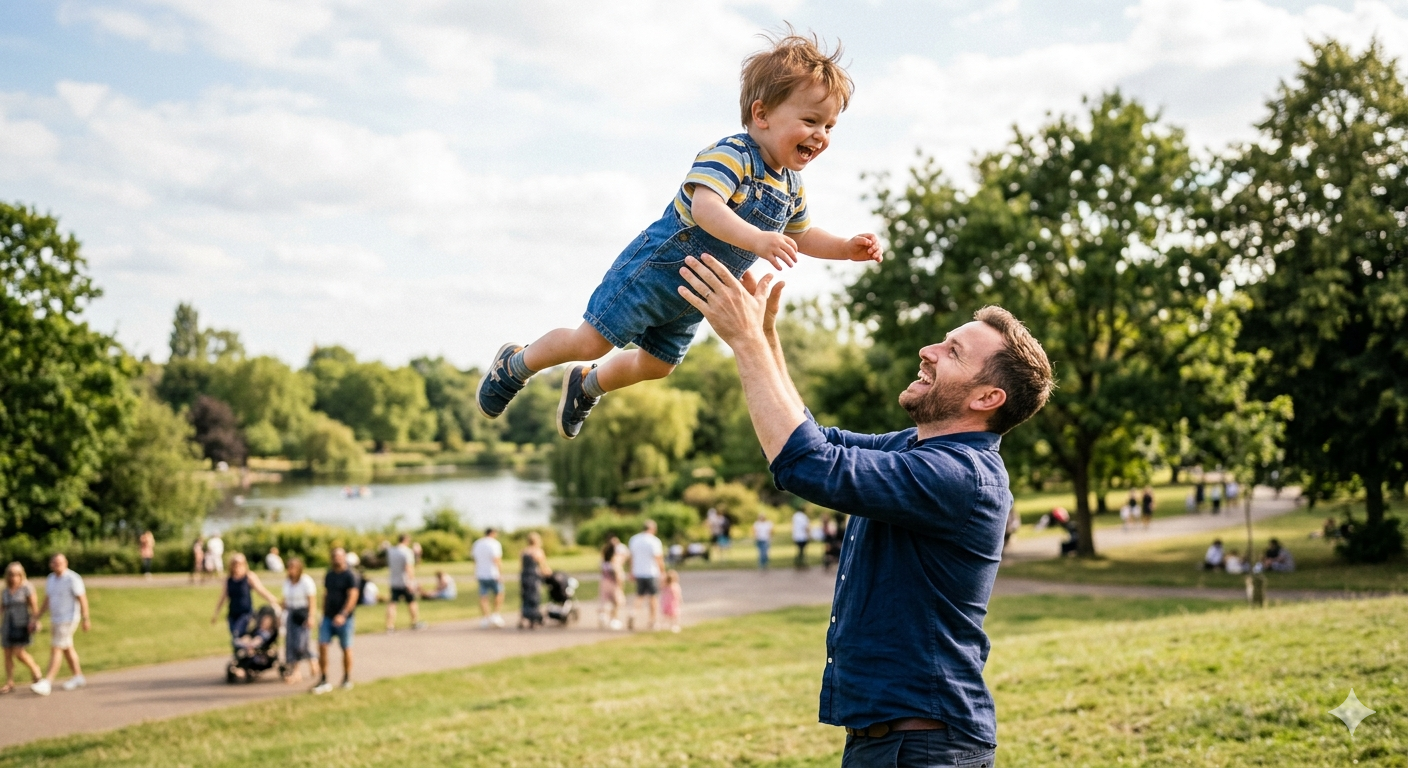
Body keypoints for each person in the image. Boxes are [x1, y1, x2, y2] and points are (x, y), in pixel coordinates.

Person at [678, 253, 1053, 765]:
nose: (928, 350)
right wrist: (764, 341)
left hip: (924, 749)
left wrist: (745, 343)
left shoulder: (960, 478)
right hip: (893, 742)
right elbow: (818, 441)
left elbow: (807, 463)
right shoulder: (918, 450)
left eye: (952, 351)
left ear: (988, 397)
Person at [475, 32, 879, 442]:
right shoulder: (732, 154)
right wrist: (758, 240)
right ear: (762, 114)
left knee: (658, 365)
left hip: (696, 293)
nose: (820, 135)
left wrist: (845, 249)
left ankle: (586, 385)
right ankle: (515, 365)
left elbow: (803, 233)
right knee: (591, 341)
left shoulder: (791, 186)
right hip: (656, 269)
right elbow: (706, 208)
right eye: (810, 121)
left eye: (829, 125)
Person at [32, 554, 92, 695]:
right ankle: (78, 676)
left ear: (66, 563)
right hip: (56, 619)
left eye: (60, 562)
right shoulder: (51, 579)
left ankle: (47, 682)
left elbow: (82, 599)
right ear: (51, 564)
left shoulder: (72, 578)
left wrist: (86, 618)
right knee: (67, 647)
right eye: (54, 562)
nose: (57, 564)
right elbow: (47, 600)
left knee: (57, 647)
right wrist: (37, 616)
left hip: (68, 618)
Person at [314, 547, 359, 694]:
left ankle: (346, 678)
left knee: (346, 647)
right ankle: (324, 678)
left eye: (339, 556)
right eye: (334, 556)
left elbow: (353, 596)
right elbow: (326, 594)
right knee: (322, 645)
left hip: (344, 618)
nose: (336, 559)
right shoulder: (329, 575)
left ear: (344, 557)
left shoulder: (350, 575)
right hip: (328, 616)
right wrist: (323, 612)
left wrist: (343, 614)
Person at [211, 553, 278, 644]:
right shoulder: (229, 580)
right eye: (235, 564)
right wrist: (216, 613)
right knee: (237, 639)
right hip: (233, 614)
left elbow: (260, 590)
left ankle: (248, 652)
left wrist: (272, 599)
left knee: (238, 634)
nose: (237, 566)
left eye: (240, 563)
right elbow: (223, 597)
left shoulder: (249, 577)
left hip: (245, 613)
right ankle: (244, 655)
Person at [2, 562, 43, 694]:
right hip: (8, 624)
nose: (14, 577)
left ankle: (35, 669)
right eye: (11, 574)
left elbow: (34, 606)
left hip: (22, 623)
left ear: (21, 575)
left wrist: (35, 621)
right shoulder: (5, 591)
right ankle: (10, 682)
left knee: (19, 653)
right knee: (7, 654)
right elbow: (2, 608)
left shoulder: (26, 588)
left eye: (16, 574)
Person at [281, 557, 318, 684]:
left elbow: (312, 601)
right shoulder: (287, 582)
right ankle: (296, 672)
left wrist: (311, 617)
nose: (291, 571)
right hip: (291, 613)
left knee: (302, 643)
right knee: (291, 644)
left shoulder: (306, 581)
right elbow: (285, 601)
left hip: (303, 613)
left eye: (293, 568)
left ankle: (313, 660)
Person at [627, 520, 665, 631]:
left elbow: (632, 558)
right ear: (653, 529)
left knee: (639, 595)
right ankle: (652, 621)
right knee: (653, 597)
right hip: (651, 572)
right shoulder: (654, 541)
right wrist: (663, 572)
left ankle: (633, 613)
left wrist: (631, 571)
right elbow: (658, 558)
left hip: (638, 572)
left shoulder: (634, 539)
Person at [385, 533, 425, 632]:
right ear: (406, 540)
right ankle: (414, 622)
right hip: (405, 582)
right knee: (412, 602)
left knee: (392, 603)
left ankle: (390, 626)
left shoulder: (391, 551)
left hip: (394, 581)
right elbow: (409, 568)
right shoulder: (407, 552)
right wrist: (411, 582)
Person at [471, 528, 506, 628]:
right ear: (493, 533)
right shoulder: (494, 544)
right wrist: (500, 573)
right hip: (493, 574)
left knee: (483, 596)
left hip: (481, 573)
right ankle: (496, 614)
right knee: (499, 593)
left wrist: (476, 572)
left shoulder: (477, 543)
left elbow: (475, 559)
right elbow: (496, 559)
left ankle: (486, 617)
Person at [518, 532, 551, 630]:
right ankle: (533, 619)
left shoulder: (524, 552)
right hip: (534, 577)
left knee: (525, 597)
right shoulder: (538, 551)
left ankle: (522, 618)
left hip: (524, 576)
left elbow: (521, 566)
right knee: (534, 597)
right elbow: (543, 566)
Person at [598, 537, 626, 630]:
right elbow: (618, 575)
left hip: (604, 582)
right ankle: (614, 619)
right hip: (613, 584)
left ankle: (602, 616)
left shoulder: (604, 561)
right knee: (616, 603)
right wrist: (620, 586)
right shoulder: (615, 561)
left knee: (604, 601)